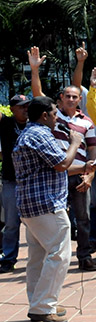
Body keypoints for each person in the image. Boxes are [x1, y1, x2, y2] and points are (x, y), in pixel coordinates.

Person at [14, 96, 94, 322]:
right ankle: (43, 308)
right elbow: (61, 163)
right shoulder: (39, 134)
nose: (57, 117)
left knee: (38, 257)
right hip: (46, 205)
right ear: (44, 116)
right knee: (59, 255)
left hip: (33, 206)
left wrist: (84, 167)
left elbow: (57, 167)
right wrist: (76, 142)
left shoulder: (30, 134)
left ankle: (40, 303)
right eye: (54, 113)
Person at [28, 46, 96, 271]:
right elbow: (37, 95)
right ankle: (56, 259)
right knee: (55, 218)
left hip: (78, 174)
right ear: (60, 98)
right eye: (67, 95)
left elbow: (93, 150)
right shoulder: (52, 115)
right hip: (56, 174)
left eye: (74, 96)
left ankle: (85, 257)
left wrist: (90, 175)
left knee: (83, 219)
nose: (70, 98)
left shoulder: (86, 121)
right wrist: (34, 70)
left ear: (80, 99)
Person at [0, 95, 30, 273]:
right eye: (21, 107)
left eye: (27, 106)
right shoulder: (5, 123)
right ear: (12, 109)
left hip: (30, 181)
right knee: (11, 223)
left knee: (35, 222)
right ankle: (9, 257)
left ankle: (38, 258)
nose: (25, 109)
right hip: (11, 181)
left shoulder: (34, 123)